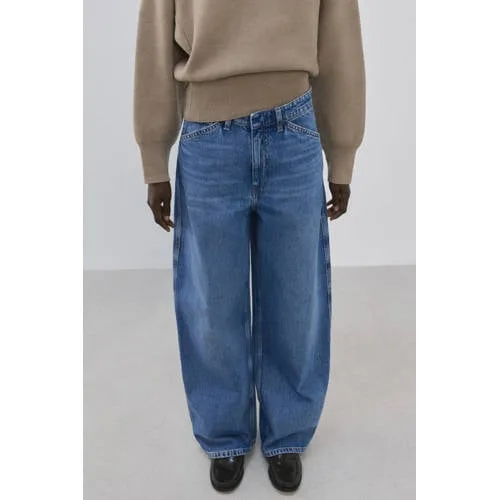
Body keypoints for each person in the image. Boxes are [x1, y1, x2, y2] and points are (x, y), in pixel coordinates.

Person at [133, 0, 365, 492]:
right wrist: (154, 157)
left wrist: (342, 152)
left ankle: (287, 431)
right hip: (208, 136)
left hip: (293, 129)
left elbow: (338, 34)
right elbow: (156, 34)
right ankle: (225, 433)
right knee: (212, 301)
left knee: (296, 297)